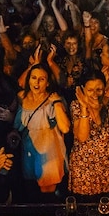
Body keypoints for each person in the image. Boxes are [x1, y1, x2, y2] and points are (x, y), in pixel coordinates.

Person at [14, 63, 70, 198]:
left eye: (42, 79)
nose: (37, 82)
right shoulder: (21, 97)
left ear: (48, 82)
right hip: (29, 151)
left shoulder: (53, 100)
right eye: (33, 77)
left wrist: (57, 103)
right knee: (31, 191)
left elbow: (65, 128)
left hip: (49, 154)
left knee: (48, 194)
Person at [68, 70, 109, 197]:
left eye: (99, 89)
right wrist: (84, 109)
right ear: (83, 90)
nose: (95, 94)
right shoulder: (76, 106)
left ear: (105, 88)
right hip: (84, 166)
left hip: (106, 165)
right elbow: (82, 137)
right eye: (90, 90)